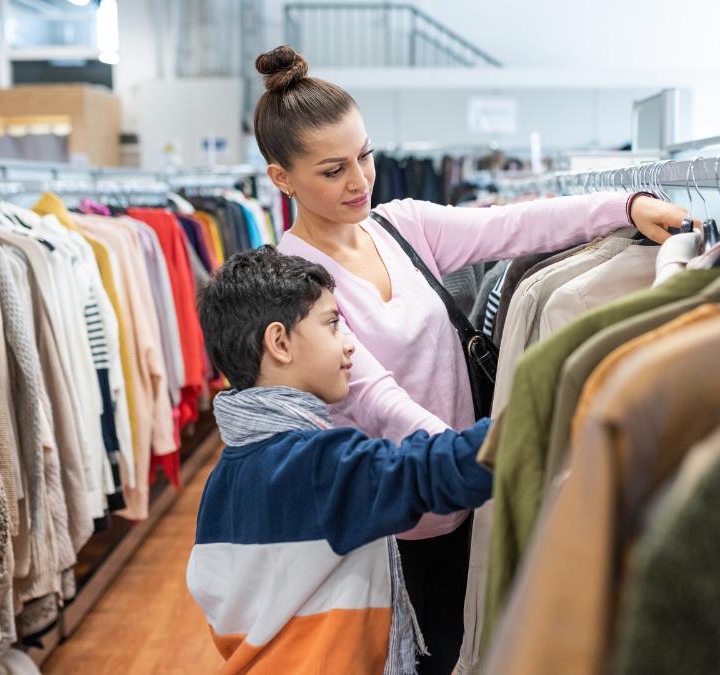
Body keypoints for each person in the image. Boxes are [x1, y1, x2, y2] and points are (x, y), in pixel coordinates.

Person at [252, 45, 695, 673]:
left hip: (464, 496)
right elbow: (376, 398)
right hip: (386, 526)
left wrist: (627, 207)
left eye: (366, 155)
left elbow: (518, 226)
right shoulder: (291, 281)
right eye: (333, 170)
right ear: (282, 177)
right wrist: (486, 456)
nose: (359, 181)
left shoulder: (400, 227)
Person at [187, 246, 494, 674]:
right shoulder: (313, 466)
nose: (350, 345)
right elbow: (436, 469)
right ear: (279, 342)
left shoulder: (228, 473)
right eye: (333, 325)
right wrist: (543, 412)